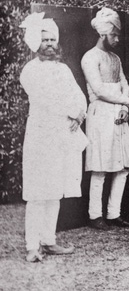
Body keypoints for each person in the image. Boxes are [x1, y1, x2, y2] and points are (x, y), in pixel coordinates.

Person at [18, 13, 89, 262]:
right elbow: (46, 100)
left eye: (52, 39)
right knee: (39, 193)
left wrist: (78, 115)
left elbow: (78, 96)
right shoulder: (30, 71)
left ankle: (48, 241)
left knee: (55, 191)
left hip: (61, 137)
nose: (49, 43)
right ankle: (32, 246)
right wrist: (71, 112)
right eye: (44, 39)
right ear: (36, 43)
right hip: (40, 138)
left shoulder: (63, 69)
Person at [82, 7, 129, 230]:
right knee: (100, 167)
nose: (116, 39)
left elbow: (124, 83)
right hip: (100, 115)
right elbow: (98, 89)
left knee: (122, 166)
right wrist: (123, 100)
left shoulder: (115, 58)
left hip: (119, 114)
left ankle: (114, 214)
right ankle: (95, 215)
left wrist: (125, 105)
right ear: (103, 34)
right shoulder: (90, 57)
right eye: (113, 35)